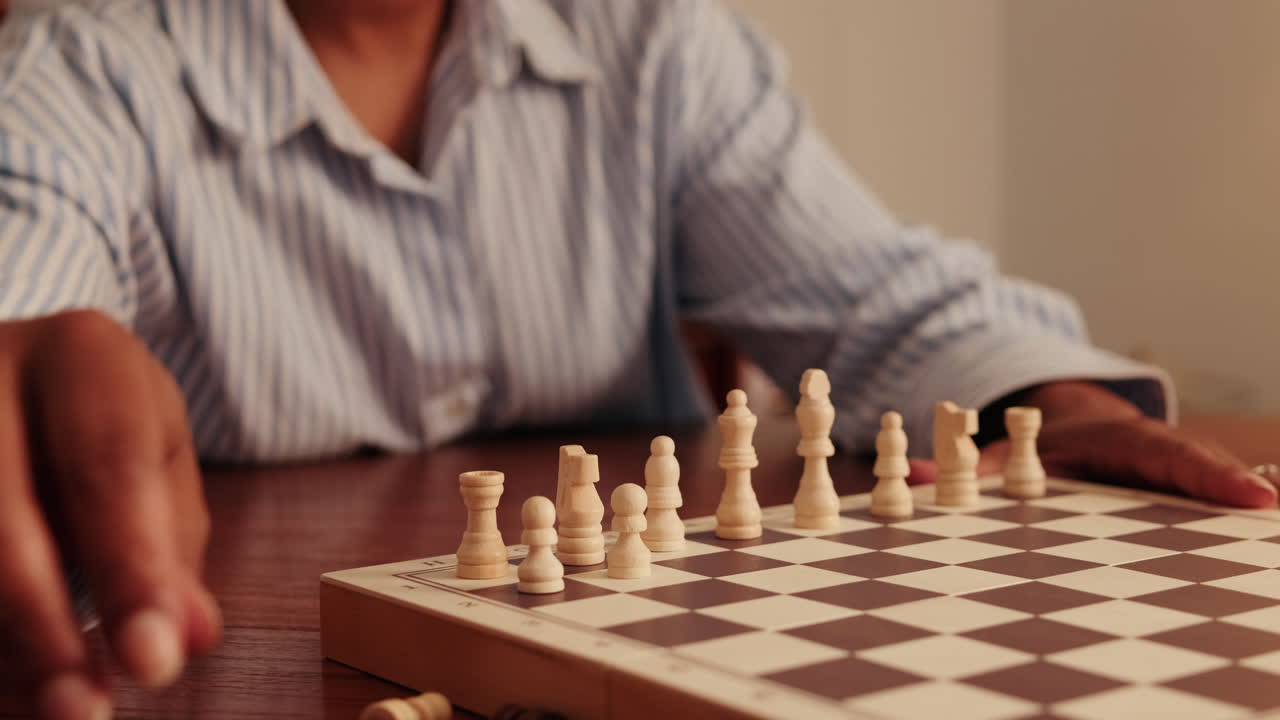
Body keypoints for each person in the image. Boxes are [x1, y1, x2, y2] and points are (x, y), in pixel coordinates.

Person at [0, 1, 1273, 718]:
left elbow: (873, 292)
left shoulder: (653, 42)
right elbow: (25, 296)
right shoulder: (86, 64)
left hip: (658, 632)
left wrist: (1056, 406)